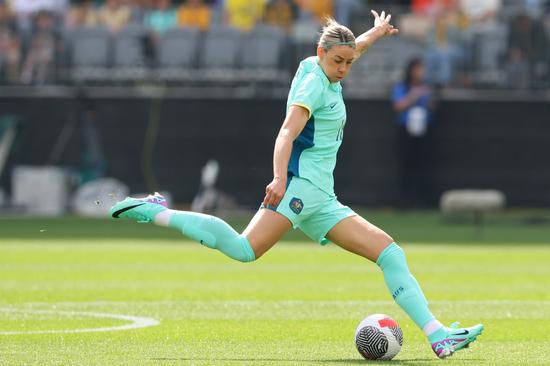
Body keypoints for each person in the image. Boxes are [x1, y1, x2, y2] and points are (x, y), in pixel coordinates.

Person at [109, 10, 483, 359]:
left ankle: (437, 334)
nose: (344, 69)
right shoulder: (314, 87)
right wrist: (279, 178)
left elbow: (353, 48)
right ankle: (155, 212)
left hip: (323, 199)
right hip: (300, 190)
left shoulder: (319, 63)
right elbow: (286, 133)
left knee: (390, 254)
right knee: (244, 249)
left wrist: (376, 33)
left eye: (349, 62)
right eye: (338, 61)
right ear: (321, 52)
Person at [392, 58, 436, 207]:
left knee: (423, 165)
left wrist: (428, 98)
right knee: (406, 165)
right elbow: (398, 105)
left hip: (423, 130)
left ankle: (422, 199)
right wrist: (413, 95)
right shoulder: (402, 87)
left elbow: (432, 106)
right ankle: (404, 199)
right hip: (406, 130)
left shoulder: (427, 87)